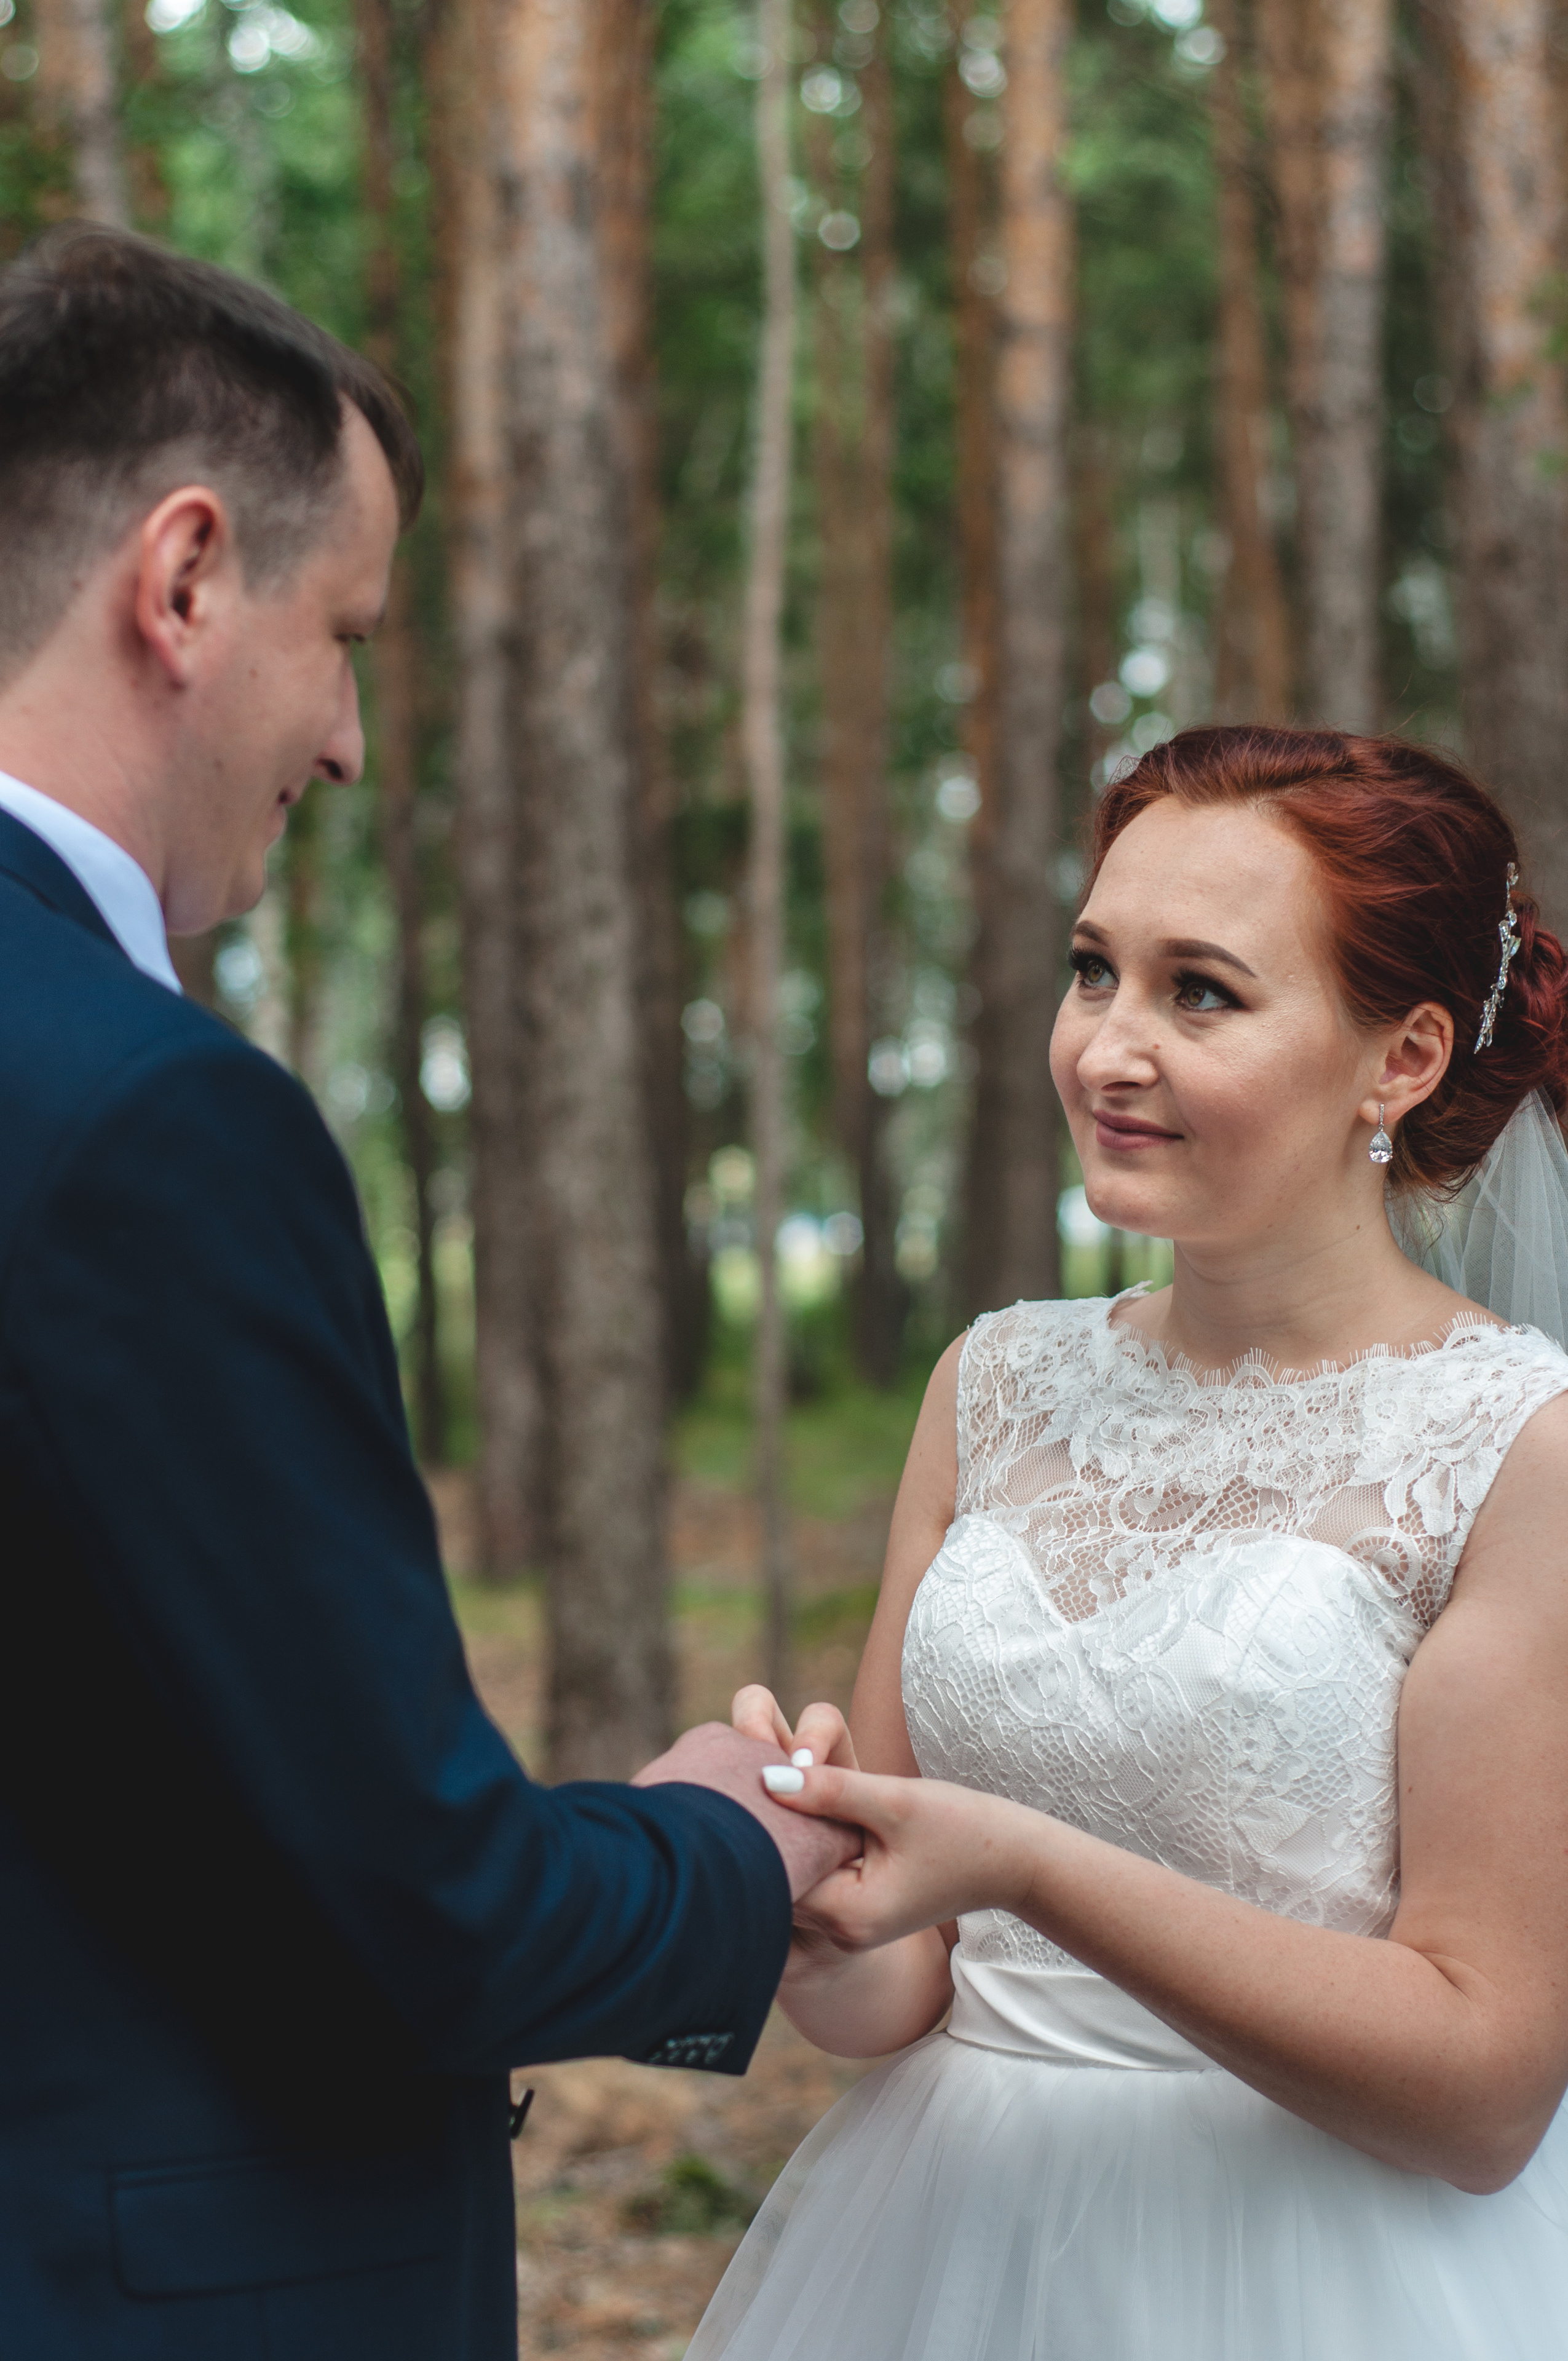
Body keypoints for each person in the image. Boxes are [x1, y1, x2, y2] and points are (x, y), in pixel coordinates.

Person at [0, 223, 855, 2361]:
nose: (353, 740)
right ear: (184, 582)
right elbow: (418, 1903)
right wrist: (715, 1846)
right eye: (344, 633)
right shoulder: (139, 1121)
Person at [693, 726, 1568, 2361]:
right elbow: (900, 1989)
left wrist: (1033, 1865)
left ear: (1403, 1059)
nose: (1109, 1046)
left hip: (1320, 2275)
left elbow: (1484, 2087)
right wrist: (808, 1881)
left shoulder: (1519, 1451)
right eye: (1095, 971)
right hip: (947, 2251)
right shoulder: (993, 1385)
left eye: (1202, 992)